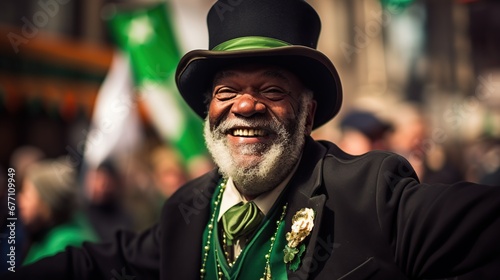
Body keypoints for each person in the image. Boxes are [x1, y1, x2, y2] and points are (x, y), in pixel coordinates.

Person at [5, 0, 500, 279]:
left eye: (271, 89)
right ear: (207, 111)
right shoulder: (185, 212)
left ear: (307, 113)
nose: (245, 106)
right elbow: (99, 267)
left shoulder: (374, 193)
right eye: (228, 91)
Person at [17, 158, 98, 265]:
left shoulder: (64, 247)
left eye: (26, 195)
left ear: (47, 202)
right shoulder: (44, 237)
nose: (19, 201)